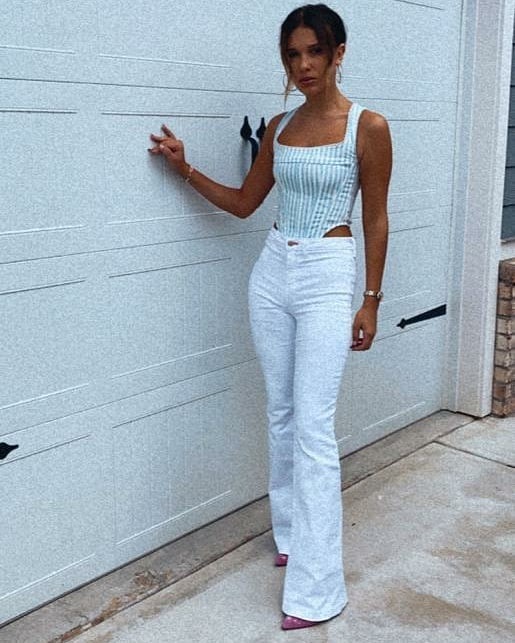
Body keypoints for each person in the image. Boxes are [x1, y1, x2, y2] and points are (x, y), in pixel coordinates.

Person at [148, 3, 392, 631]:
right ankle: (290, 536)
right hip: (274, 270)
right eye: (292, 54)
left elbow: (375, 216)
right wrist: (184, 168)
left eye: (315, 51)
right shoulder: (279, 126)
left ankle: (318, 590)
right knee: (281, 413)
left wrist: (370, 298)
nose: (303, 65)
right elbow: (243, 204)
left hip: (328, 273)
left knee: (313, 429)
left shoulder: (367, 126)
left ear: (339, 54)